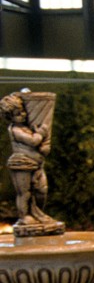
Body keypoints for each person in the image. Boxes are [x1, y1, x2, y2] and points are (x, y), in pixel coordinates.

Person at [0, 91, 54, 228]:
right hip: (22, 164)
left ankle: (38, 213)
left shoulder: (26, 127)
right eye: (18, 113)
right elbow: (33, 141)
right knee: (24, 193)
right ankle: (24, 217)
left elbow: (39, 146)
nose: (23, 115)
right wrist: (41, 133)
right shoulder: (15, 130)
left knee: (42, 190)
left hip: (37, 164)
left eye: (23, 111)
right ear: (10, 116)